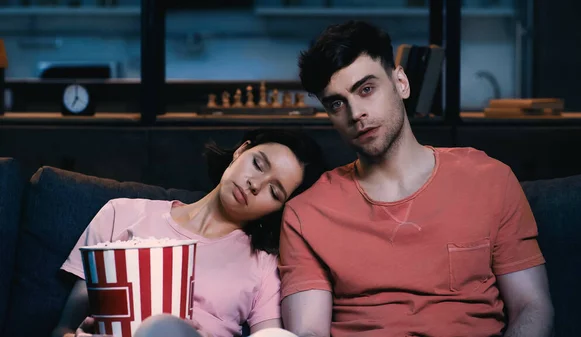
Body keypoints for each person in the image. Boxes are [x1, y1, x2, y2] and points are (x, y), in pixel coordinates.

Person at [278, 20, 554, 337]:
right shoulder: (307, 214)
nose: (355, 114)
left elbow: (532, 307)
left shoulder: (489, 179)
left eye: (366, 90)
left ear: (401, 83)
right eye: (337, 103)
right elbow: (309, 332)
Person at [51, 128, 327, 337]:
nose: (256, 184)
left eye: (274, 191)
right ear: (241, 151)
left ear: (278, 209)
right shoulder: (120, 213)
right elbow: (64, 326)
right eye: (258, 164)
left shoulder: (264, 266)